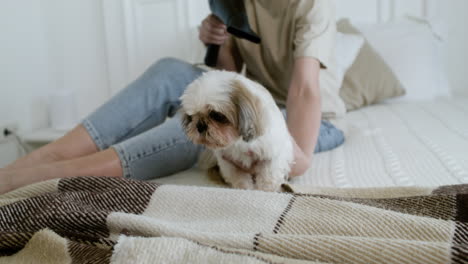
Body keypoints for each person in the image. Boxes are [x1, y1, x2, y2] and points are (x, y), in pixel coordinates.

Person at [0, 0, 345, 194]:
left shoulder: (312, 6)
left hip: (307, 118)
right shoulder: (234, 1)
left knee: (200, 131)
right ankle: (36, 162)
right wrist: (218, 40)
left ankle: (42, 178)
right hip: (250, 98)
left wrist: (294, 155)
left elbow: (304, 90)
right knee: (170, 72)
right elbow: (226, 75)